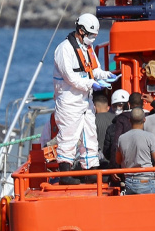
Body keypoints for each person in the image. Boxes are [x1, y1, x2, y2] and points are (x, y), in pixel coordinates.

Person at [53, 13, 116, 185]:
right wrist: (92, 84)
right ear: (81, 31)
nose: (93, 39)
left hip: (85, 100)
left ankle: (91, 169)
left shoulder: (87, 48)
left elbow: (94, 70)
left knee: (90, 134)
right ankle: (65, 173)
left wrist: (106, 75)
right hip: (69, 101)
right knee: (69, 136)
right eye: (90, 35)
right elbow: (71, 78)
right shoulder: (64, 49)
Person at [116, 108, 155, 195]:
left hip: (129, 181)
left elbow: (118, 160)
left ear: (129, 120)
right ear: (144, 119)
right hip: (146, 180)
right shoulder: (150, 137)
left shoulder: (121, 138)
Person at [93, 92, 115, 169]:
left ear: (94, 107)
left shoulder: (92, 120)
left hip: (98, 163)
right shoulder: (116, 118)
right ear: (107, 107)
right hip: (114, 163)